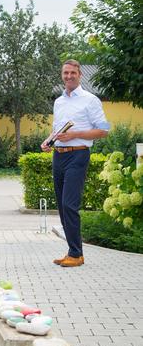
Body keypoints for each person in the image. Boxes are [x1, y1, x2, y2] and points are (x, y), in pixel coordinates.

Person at [41, 60, 110, 267]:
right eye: (65, 72)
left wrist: (75, 134)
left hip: (78, 155)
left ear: (80, 75)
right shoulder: (59, 102)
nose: (69, 76)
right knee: (62, 206)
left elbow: (104, 130)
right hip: (59, 156)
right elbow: (57, 130)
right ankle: (72, 251)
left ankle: (77, 254)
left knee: (69, 204)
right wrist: (49, 140)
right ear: (62, 75)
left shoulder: (91, 100)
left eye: (73, 72)